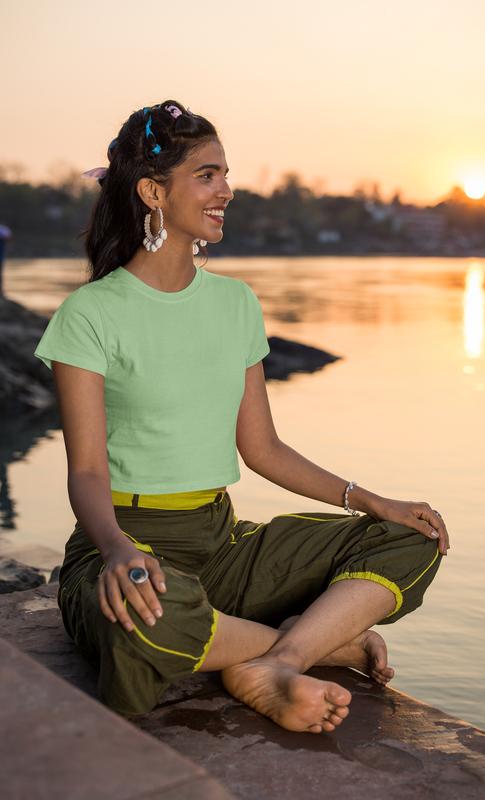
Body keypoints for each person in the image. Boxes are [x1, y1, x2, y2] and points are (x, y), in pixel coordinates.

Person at [35, 101, 449, 734]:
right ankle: (323, 646)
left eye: (225, 173)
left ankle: (274, 660)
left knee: (410, 537)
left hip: (222, 542)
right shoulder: (91, 315)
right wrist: (117, 550)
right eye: (206, 175)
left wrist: (375, 502)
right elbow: (87, 469)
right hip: (124, 542)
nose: (227, 190)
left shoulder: (235, 304)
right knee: (145, 617)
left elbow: (264, 450)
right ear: (153, 191)